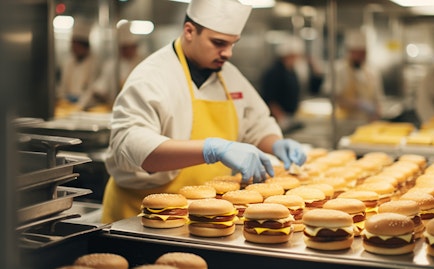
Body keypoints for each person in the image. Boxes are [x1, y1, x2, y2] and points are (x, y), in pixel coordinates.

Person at [101, 0, 307, 223]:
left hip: (205, 213)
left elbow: (256, 124)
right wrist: (212, 149)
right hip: (142, 214)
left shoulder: (229, 75)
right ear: (189, 31)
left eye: (232, 44)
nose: (227, 53)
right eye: (218, 43)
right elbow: (132, 145)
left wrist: (276, 143)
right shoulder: (152, 76)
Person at [322, 29, 384, 122]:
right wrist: (358, 104)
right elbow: (333, 95)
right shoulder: (338, 70)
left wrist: (377, 111)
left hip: (368, 121)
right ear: (350, 52)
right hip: (345, 121)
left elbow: (378, 97)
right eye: (358, 53)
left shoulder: (371, 71)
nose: (362, 56)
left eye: (363, 53)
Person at [90, 22, 145, 109]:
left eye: (129, 48)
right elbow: (100, 88)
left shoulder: (143, 64)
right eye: (124, 48)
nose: (126, 51)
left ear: (135, 47)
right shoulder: (112, 65)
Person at [260, 37, 305, 133]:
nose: (296, 59)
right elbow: (270, 99)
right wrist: (281, 118)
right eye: (294, 56)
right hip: (277, 119)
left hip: (289, 116)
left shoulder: (291, 70)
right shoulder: (274, 73)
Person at [56, 20, 101, 110]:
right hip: (69, 106)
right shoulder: (68, 63)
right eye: (72, 45)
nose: (73, 49)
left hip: (88, 107)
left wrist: (79, 106)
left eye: (76, 46)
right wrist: (64, 100)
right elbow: (63, 87)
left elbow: (92, 89)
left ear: (84, 46)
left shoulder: (95, 63)